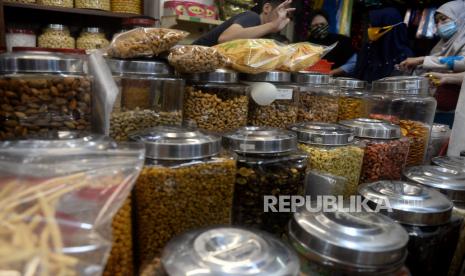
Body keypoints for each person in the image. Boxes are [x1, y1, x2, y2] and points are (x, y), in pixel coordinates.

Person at [399, 0, 465, 72]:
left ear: (460, 19)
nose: (439, 25)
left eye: (443, 19)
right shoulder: (440, 45)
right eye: (436, 22)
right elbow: (432, 67)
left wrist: (422, 60)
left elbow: (462, 62)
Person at [192, 0, 294, 46]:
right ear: (267, 8)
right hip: (191, 60)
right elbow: (224, 38)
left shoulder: (266, 34)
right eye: (282, 12)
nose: (285, 19)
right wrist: (271, 25)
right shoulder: (252, 17)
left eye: (287, 15)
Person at [352, 7, 413, 82]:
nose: (370, 28)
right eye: (369, 25)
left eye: (374, 25)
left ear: (386, 26)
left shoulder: (405, 56)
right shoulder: (369, 49)